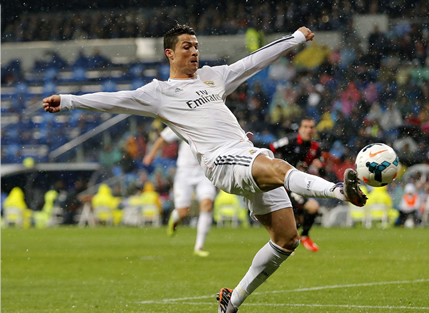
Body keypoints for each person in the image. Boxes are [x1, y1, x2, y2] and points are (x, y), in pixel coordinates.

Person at [43, 24, 367, 312]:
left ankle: (232, 302)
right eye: (187, 46)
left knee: (286, 239)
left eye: (196, 46)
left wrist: (294, 39)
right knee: (277, 165)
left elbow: (253, 61)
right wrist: (69, 100)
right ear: (170, 53)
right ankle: (339, 191)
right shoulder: (159, 93)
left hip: (245, 154)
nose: (194, 51)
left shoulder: (214, 76)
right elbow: (115, 98)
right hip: (220, 162)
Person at [143, 126, 217, 257]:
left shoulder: (212, 124)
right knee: (183, 212)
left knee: (207, 204)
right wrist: (151, 155)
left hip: (204, 172)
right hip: (184, 172)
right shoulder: (183, 123)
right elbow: (162, 138)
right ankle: (176, 216)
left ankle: (199, 246)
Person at [268, 117, 323, 252]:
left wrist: (320, 166)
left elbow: (321, 166)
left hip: (300, 185)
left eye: (311, 127)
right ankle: (302, 237)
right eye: (305, 127)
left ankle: (287, 242)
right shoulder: (289, 141)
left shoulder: (315, 148)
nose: (308, 130)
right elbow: (270, 148)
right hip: (285, 184)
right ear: (300, 129)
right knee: (312, 208)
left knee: (297, 217)